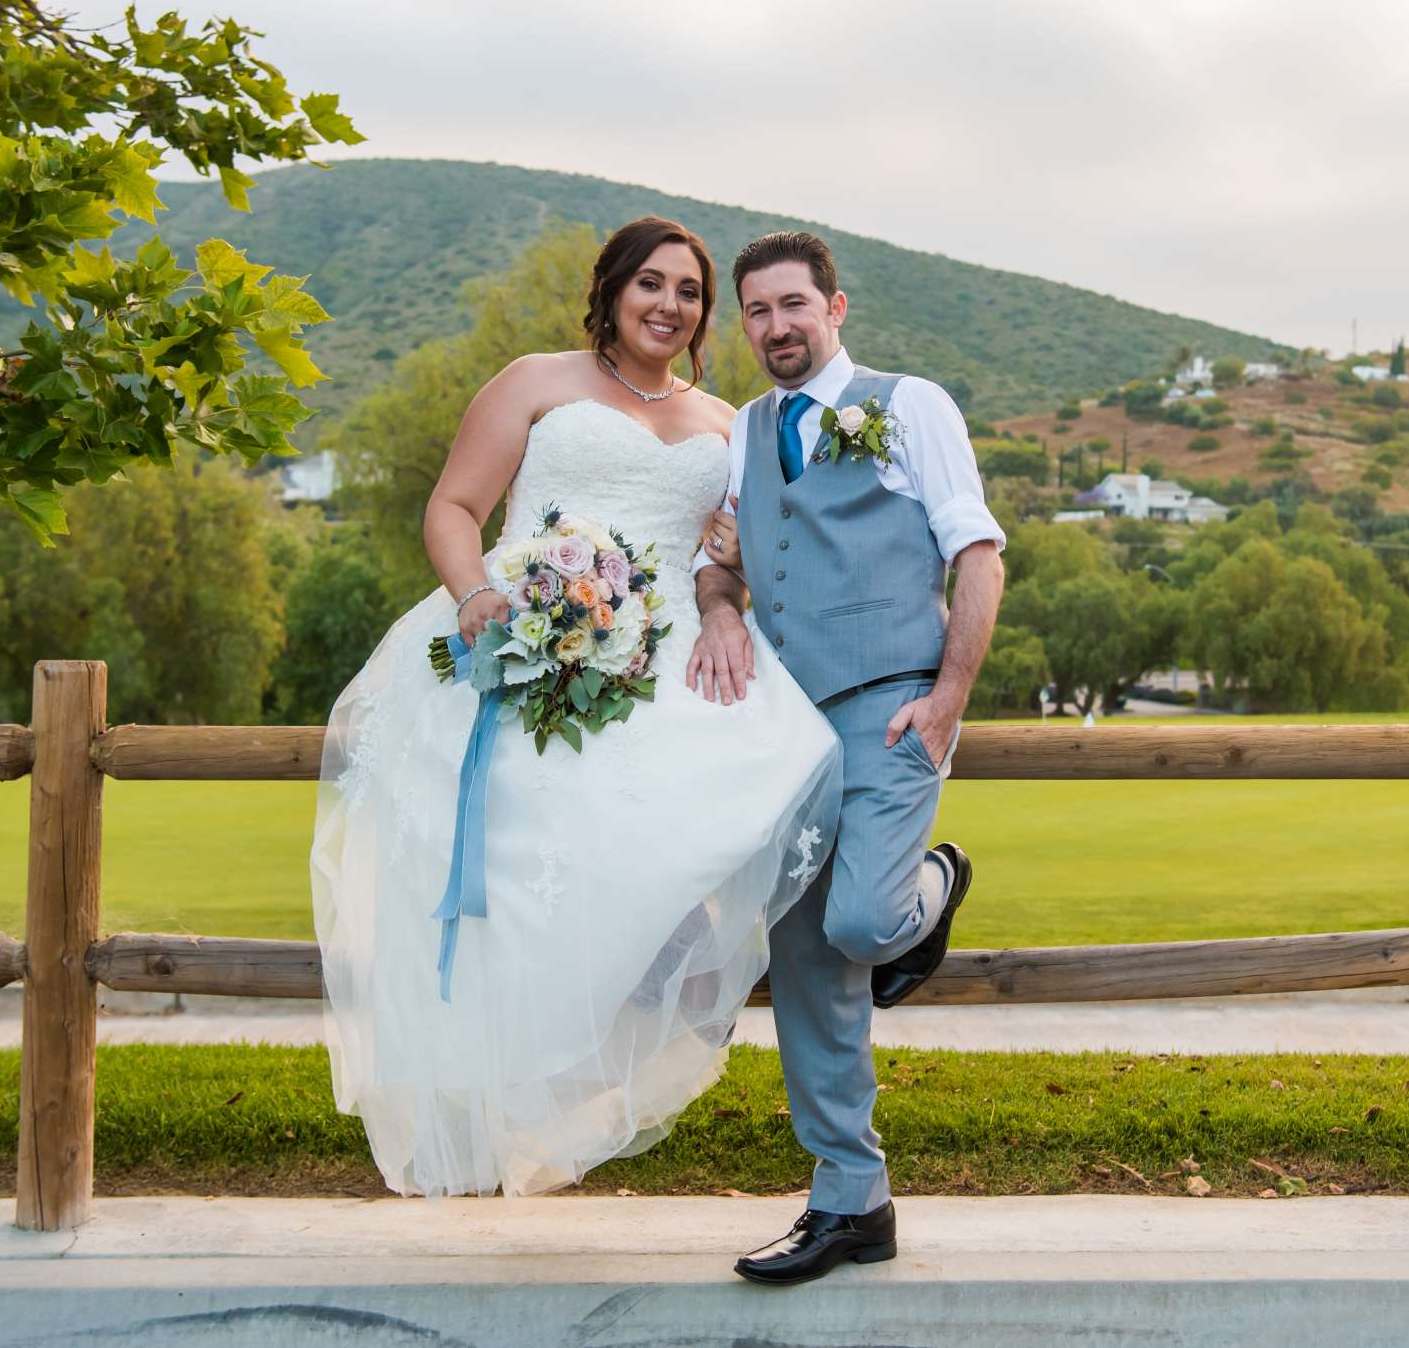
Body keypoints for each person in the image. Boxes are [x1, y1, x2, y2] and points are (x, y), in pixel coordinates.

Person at [309, 217, 844, 1198]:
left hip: (676, 651)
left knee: (800, 763)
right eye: (650, 283)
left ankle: (762, 964)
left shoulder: (730, 422)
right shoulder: (535, 382)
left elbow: (739, 556)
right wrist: (480, 600)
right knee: (535, 876)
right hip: (527, 642)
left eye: (688, 291)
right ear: (610, 289)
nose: (668, 305)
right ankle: (518, 1073)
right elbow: (452, 508)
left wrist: (728, 589)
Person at [689, 230, 1007, 1285]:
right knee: (810, 968)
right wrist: (716, 609)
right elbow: (721, 557)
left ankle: (937, 881)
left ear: (835, 307)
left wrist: (949, 702)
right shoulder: (746, 428)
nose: (776, 327)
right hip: (784, 734)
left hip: (890, 713)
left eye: (793, 305)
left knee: (867, 921)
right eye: (756, 312)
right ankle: (850, 1202)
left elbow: (976, 552)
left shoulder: (909, 404)